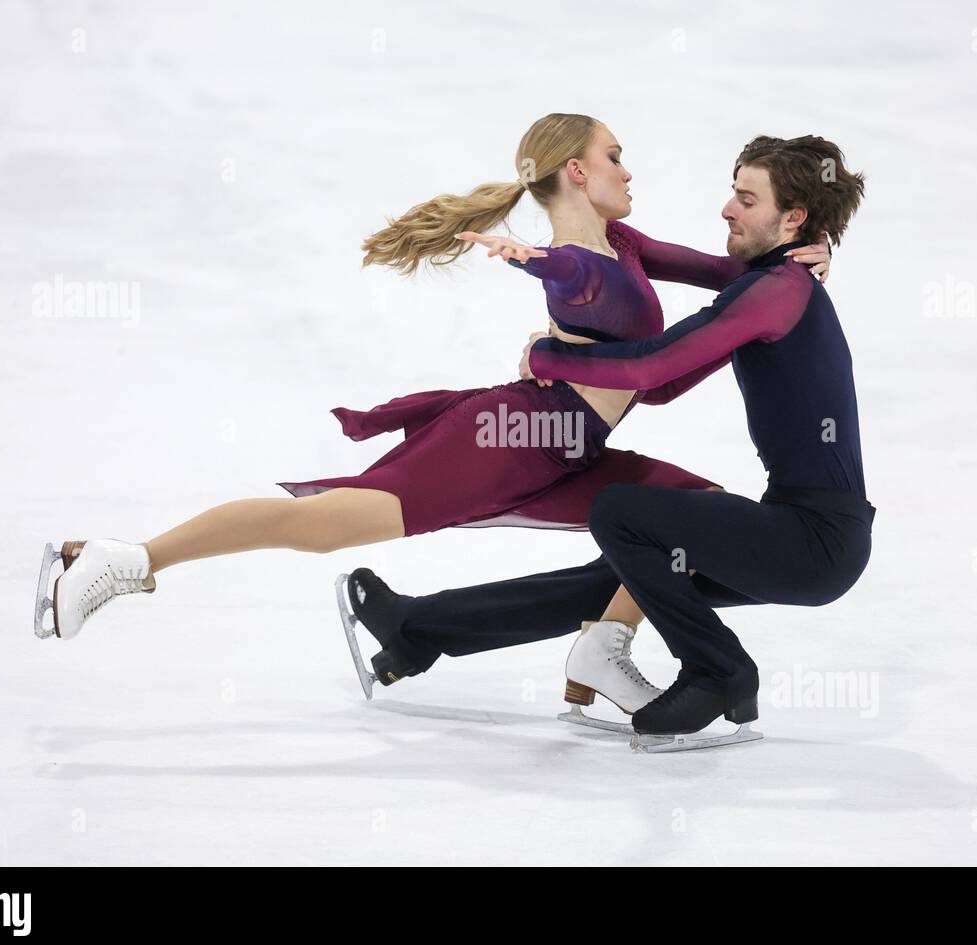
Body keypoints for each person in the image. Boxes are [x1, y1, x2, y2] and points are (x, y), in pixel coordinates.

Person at [32, 113, 832, 712]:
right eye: (613, 156)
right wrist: (536, 267)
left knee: (696, 516)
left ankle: (605, 650)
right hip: (513, 438)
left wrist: (813, 250)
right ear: (576, 174)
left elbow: (736, 280)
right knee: (324, 522)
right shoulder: (576, 266)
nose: (629, 167)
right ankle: (125, 561)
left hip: (571, 449)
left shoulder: (624, 244)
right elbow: (572, 279)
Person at [341, 134, 874, 741]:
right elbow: (663, 370)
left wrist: (551, 358)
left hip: (814, 541)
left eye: (747, 199)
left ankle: (720, 671)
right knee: (617, 576)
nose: (727, 208)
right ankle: (414, 631)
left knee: (620, 511)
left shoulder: (778, 290)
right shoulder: (773, 283)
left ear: (793, 217)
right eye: (733, 191)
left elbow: (650, 368)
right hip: (810, 536)